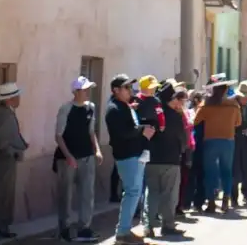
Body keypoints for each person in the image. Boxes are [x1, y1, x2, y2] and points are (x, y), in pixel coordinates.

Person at [105, 75, 155, 244]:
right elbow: (122, 132)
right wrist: (142, 130)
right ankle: (123, 232)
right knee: (132, 192)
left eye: (130, 87)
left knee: (134, 191)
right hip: (127, 155)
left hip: (134, 154)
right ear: (116, 90)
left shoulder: (123, 106)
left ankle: (125, 230)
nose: (130, 91)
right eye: (126, 88)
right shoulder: (114, 109)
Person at [54, 76, 104, 243]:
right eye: (84, 89)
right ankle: (65, 228)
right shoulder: (66, 109)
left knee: (87, 194)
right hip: (67, 157)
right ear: (75, 92)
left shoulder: (91, 107)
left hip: (87, 156)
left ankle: (85, 227)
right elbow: (59, 136)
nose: (87, 92)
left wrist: (97, 150)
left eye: (88, 89)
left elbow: (91, 131)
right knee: (66, 194)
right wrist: (68, 156)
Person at [143, 81, 187, 238]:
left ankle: (148, 225)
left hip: (152, 158)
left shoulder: (152, 112)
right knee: (169, 194)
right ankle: (167, 225)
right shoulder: (175, 116)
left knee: (152, 193)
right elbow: (182, 138)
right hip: (171, 160)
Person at [193, 76, 242, 213]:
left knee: (210, 172)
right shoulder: (234, 105)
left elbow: (195, 120)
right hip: (228, 141)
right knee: (226, 171)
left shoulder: (206, 105)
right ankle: (226, 198)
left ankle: (211, 202)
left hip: (210, 141)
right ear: (226, 89)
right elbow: (238, 123)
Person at [0, 83, 28, 242]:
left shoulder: (7, 112)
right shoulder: (4, 115)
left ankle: (3, 227)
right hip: (3, 160)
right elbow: (2, 142)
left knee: (7, 196)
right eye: (17, 96)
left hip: (8, 160)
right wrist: (15, 152)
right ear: (10, 99)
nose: (19, 99)